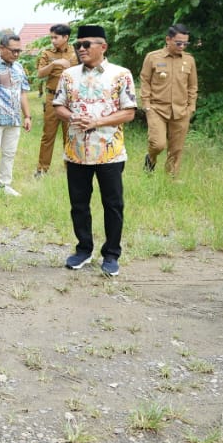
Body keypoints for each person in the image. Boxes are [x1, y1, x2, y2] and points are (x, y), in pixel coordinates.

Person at [52, 24, 137, 277]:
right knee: (79, 203)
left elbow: (129, 111)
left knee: (113, 204)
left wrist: (97, 122)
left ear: (103, 47)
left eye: (86, 44)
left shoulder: (121, 74)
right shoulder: (69, 75)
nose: (81, 48)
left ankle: (111, 254)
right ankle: (83, 249)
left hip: (109, 151)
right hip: (76, 150)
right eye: (78, 44)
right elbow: (58, 106)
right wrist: (72, 116)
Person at [139, 24, 198, 175]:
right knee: (158, 144)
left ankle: (171, 179)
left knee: (176, 149)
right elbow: (145, 80)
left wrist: (191, 108)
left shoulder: (189, 60)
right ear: (168, 39)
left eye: (186, 43)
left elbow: (192, 86)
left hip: (181, 110)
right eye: (179, 43)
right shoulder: (153, 57)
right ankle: (151, 158)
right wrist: (146, 104)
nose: (182, 46)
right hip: (157, 109)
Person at [0, 33, 32, 197]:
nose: (16, 54)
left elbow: (23, 93)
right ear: (1, 48)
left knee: (10, 153)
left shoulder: (19, 67)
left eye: (19, 51)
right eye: (13, 51)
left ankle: (4, 185)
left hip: (14, 118)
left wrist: (27, 116)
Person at [34, 24, 74, 177]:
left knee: (69, 134)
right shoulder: (46, 53)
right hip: (53, 97)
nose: (53, 40)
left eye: (55, 37)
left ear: (65, 37)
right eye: (51, 37)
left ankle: (70, 167)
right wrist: (54, 63)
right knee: (48, 135)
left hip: (71, 99)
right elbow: (40, 74)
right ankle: (42, 169)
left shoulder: (76, 52)